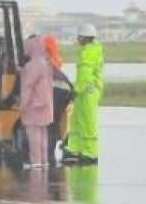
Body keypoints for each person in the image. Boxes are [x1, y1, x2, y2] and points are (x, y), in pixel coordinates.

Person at [65, 23, 104, 166]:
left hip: (87, 92)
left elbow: (85, 75)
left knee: (87, 123)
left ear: (84, 37)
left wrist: (76, 90)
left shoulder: (88, 53)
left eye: (79, 37)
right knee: (79, 121)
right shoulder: (94, 50)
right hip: (88, 93)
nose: (78, 39)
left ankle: (90, 153)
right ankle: (77, 149)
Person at [19, 36, 54, 168]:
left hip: (35, 105)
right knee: (43, 132)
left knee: (33, 134)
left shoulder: (32, 65)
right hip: (46, 104)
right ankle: (44, 161)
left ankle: (35, 161)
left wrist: (22, 106)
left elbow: (28, 87)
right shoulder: (46, 63)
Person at [44, 34, 73, 165]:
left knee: (49, 123)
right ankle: (54, 151)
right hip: (65, 89)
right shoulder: (54, 60)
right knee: (54, 122)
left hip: (55, 88)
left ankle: (49, 155)